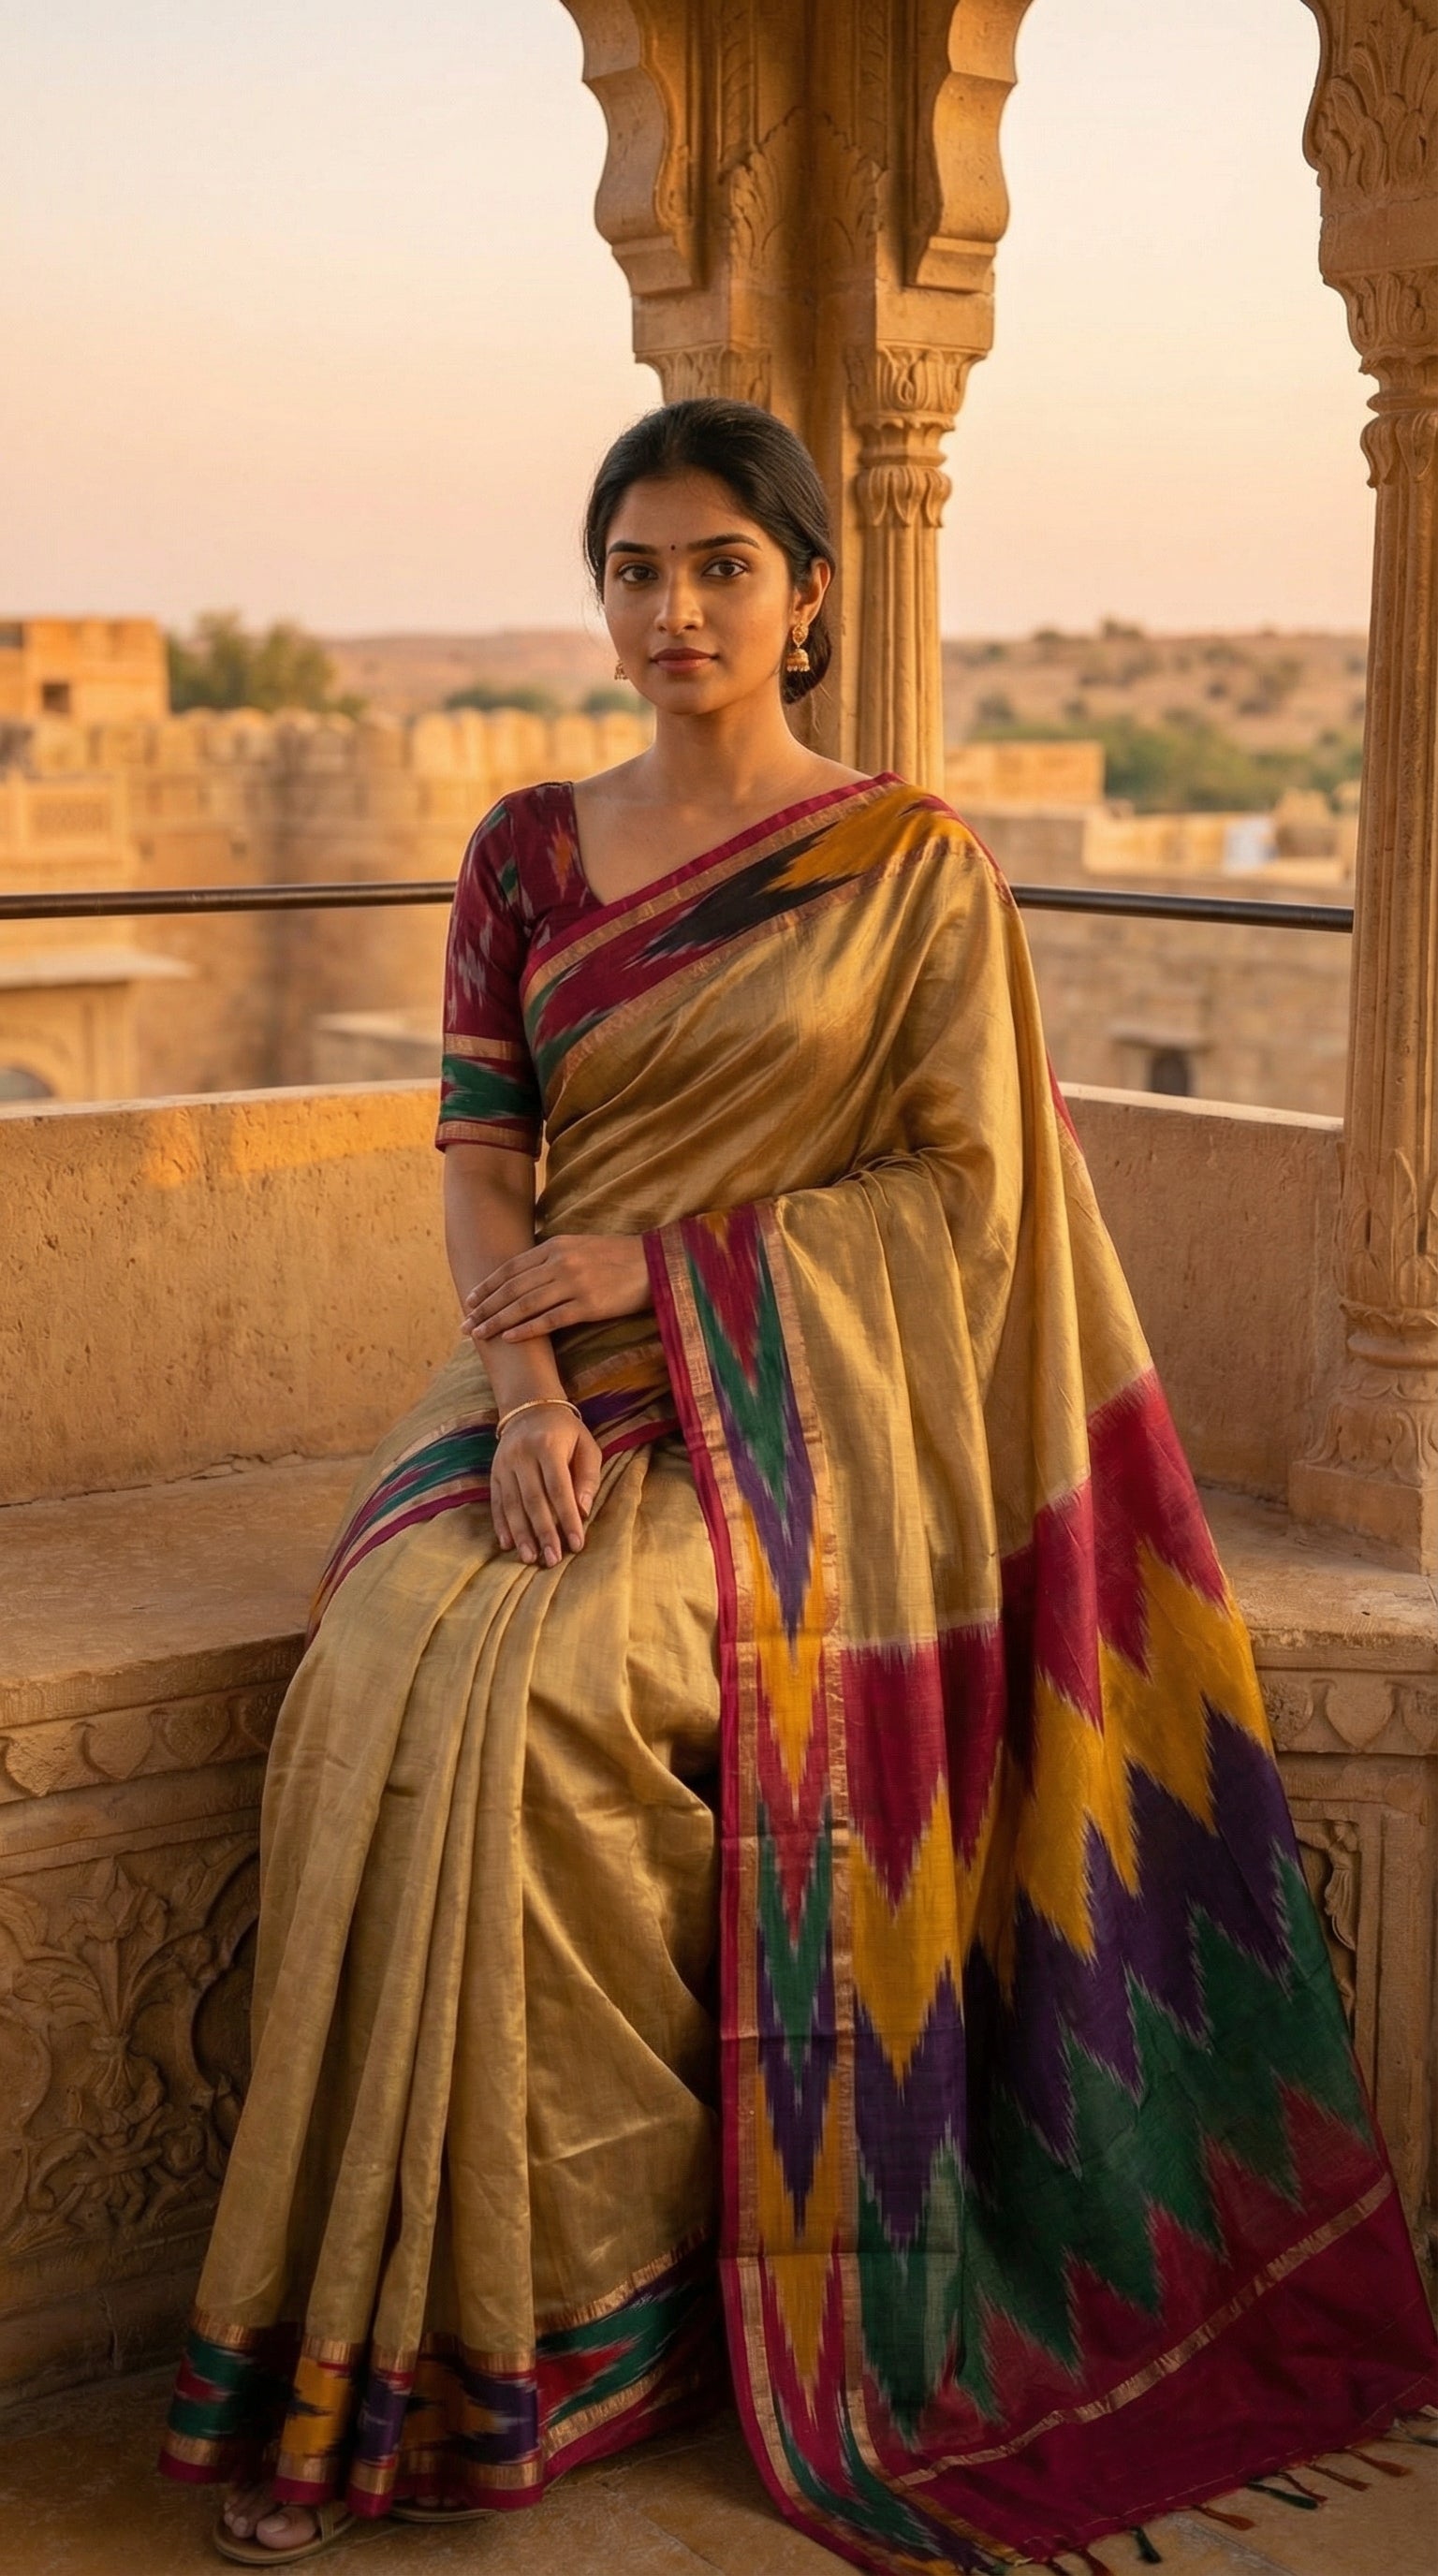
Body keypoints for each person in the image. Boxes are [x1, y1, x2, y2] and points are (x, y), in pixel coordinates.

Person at [161, 400, 1437, 2573]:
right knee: (382, 1646)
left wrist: (670, 1270)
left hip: (805, 1423)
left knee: (549, 1698)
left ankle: (589, 2328)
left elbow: (965, 1201)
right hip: (543, 1382)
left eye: (721, 568)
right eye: (637, 569)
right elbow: (477, 1155)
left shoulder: (909, 868)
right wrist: (537, 1382)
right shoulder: (524, 854)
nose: (675, 610)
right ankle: (397, 2323)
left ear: (810, 595)